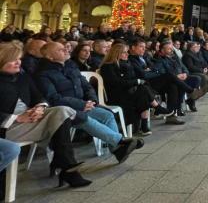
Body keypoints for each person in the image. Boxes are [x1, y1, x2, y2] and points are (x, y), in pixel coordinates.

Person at [0, 41, 91, 187]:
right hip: (7, 128)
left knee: (61, 111)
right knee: (60, 121)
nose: (18, 63)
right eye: (13, 60)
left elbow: (38, 96)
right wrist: (17, 117)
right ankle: (67, 167)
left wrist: (40, 107)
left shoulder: (22, 77)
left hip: (30, 119)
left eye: (19, 59)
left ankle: (65, 165)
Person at [36, 42, 143, 162]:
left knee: (107, 115)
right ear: (50, 57)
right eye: (61, 50)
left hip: (84, 105)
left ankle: (118, 150)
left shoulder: (71, 66)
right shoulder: (43, 74)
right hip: (65, 112)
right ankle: (120, 141)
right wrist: (81, 104)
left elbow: (87, 86)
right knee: (84, 119)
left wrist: (92, 100)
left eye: (65, 48)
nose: (66, 50)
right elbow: (54, 98)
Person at [99, 43, 173, 136]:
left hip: (128, 92)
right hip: (117, 95)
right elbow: (118, 83)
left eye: (127, 52)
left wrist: (136, 80)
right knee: (143, 90)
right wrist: (137, 81)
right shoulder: (108, 66)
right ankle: (154, 112)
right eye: (124, 52)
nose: (127, 54)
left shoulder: (126, 64)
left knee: (143, 91)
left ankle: (148, 120)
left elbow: (132, 78)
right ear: (116, 54)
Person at [128, 38, 185, 125]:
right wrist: (155, 72)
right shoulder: (131, 59)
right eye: (141, 47)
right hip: (145, 86)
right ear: (132, 47)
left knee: (173, 85)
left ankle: (172, 115)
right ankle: (188, 91)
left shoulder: (143, 58)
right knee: (170, 77)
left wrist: (153, 71)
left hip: (153, 83)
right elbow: (144, 75)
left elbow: (152, 68)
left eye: (144, 47)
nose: (144, 49)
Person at [155, 41, 201, 112]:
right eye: (169, 49)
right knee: (178, 85)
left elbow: (184, 67)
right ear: (162, 50)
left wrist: (185, 74)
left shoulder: (175, 57)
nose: (171, 50)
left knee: (197, 79)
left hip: (182, 77)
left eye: (171, 48)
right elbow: (164, 73)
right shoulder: (160, 60)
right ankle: (178, 108)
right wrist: (177, 76)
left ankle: (191, 100)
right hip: (173, 80)